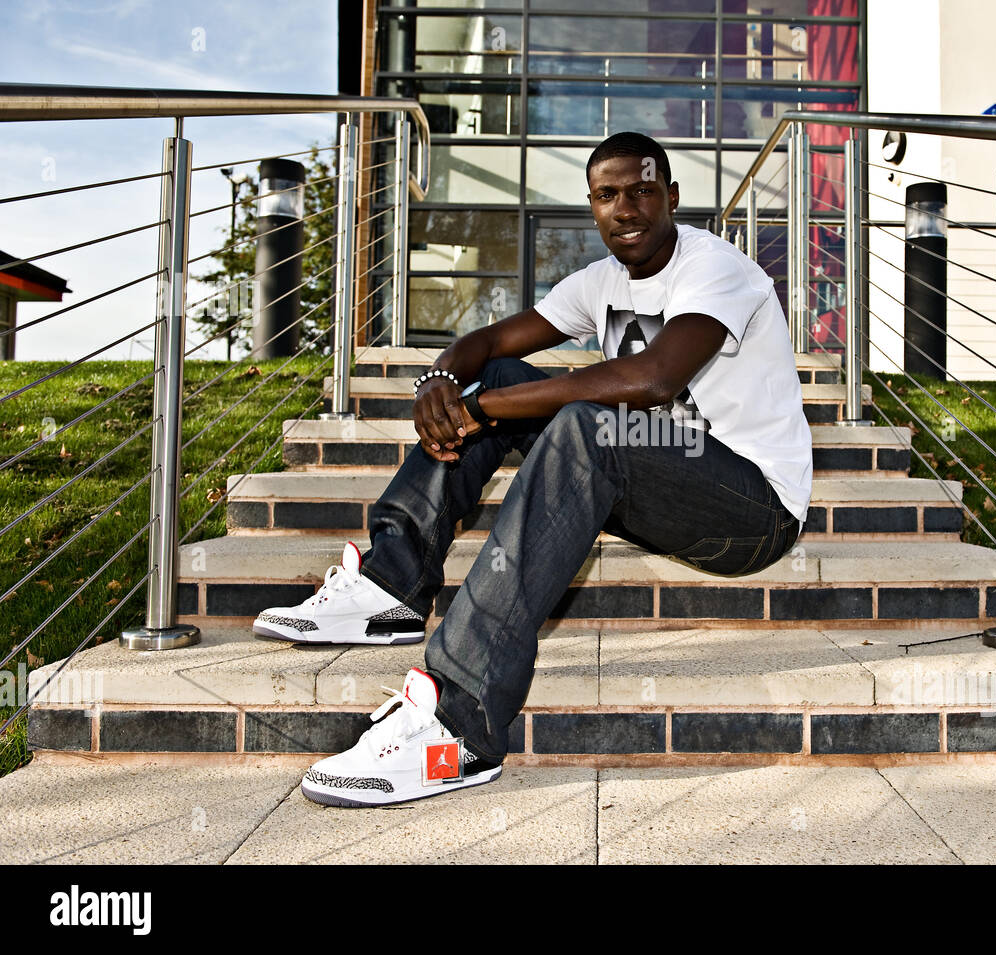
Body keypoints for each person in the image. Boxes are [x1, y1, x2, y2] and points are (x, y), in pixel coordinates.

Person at [254, 131, 813, 807]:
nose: (626, 208)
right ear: (592, 205)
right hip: (663, 476)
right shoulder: (600, 282)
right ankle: (391, 584)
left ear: (671, 197)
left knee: (583, 424)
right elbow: (487, 343)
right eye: (608, 195)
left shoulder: (715, 266)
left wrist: (480, 409)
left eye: (641, 191)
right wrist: (438, 382)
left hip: (753, 507)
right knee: (496, 377)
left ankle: (458, 726)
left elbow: (654, 378)